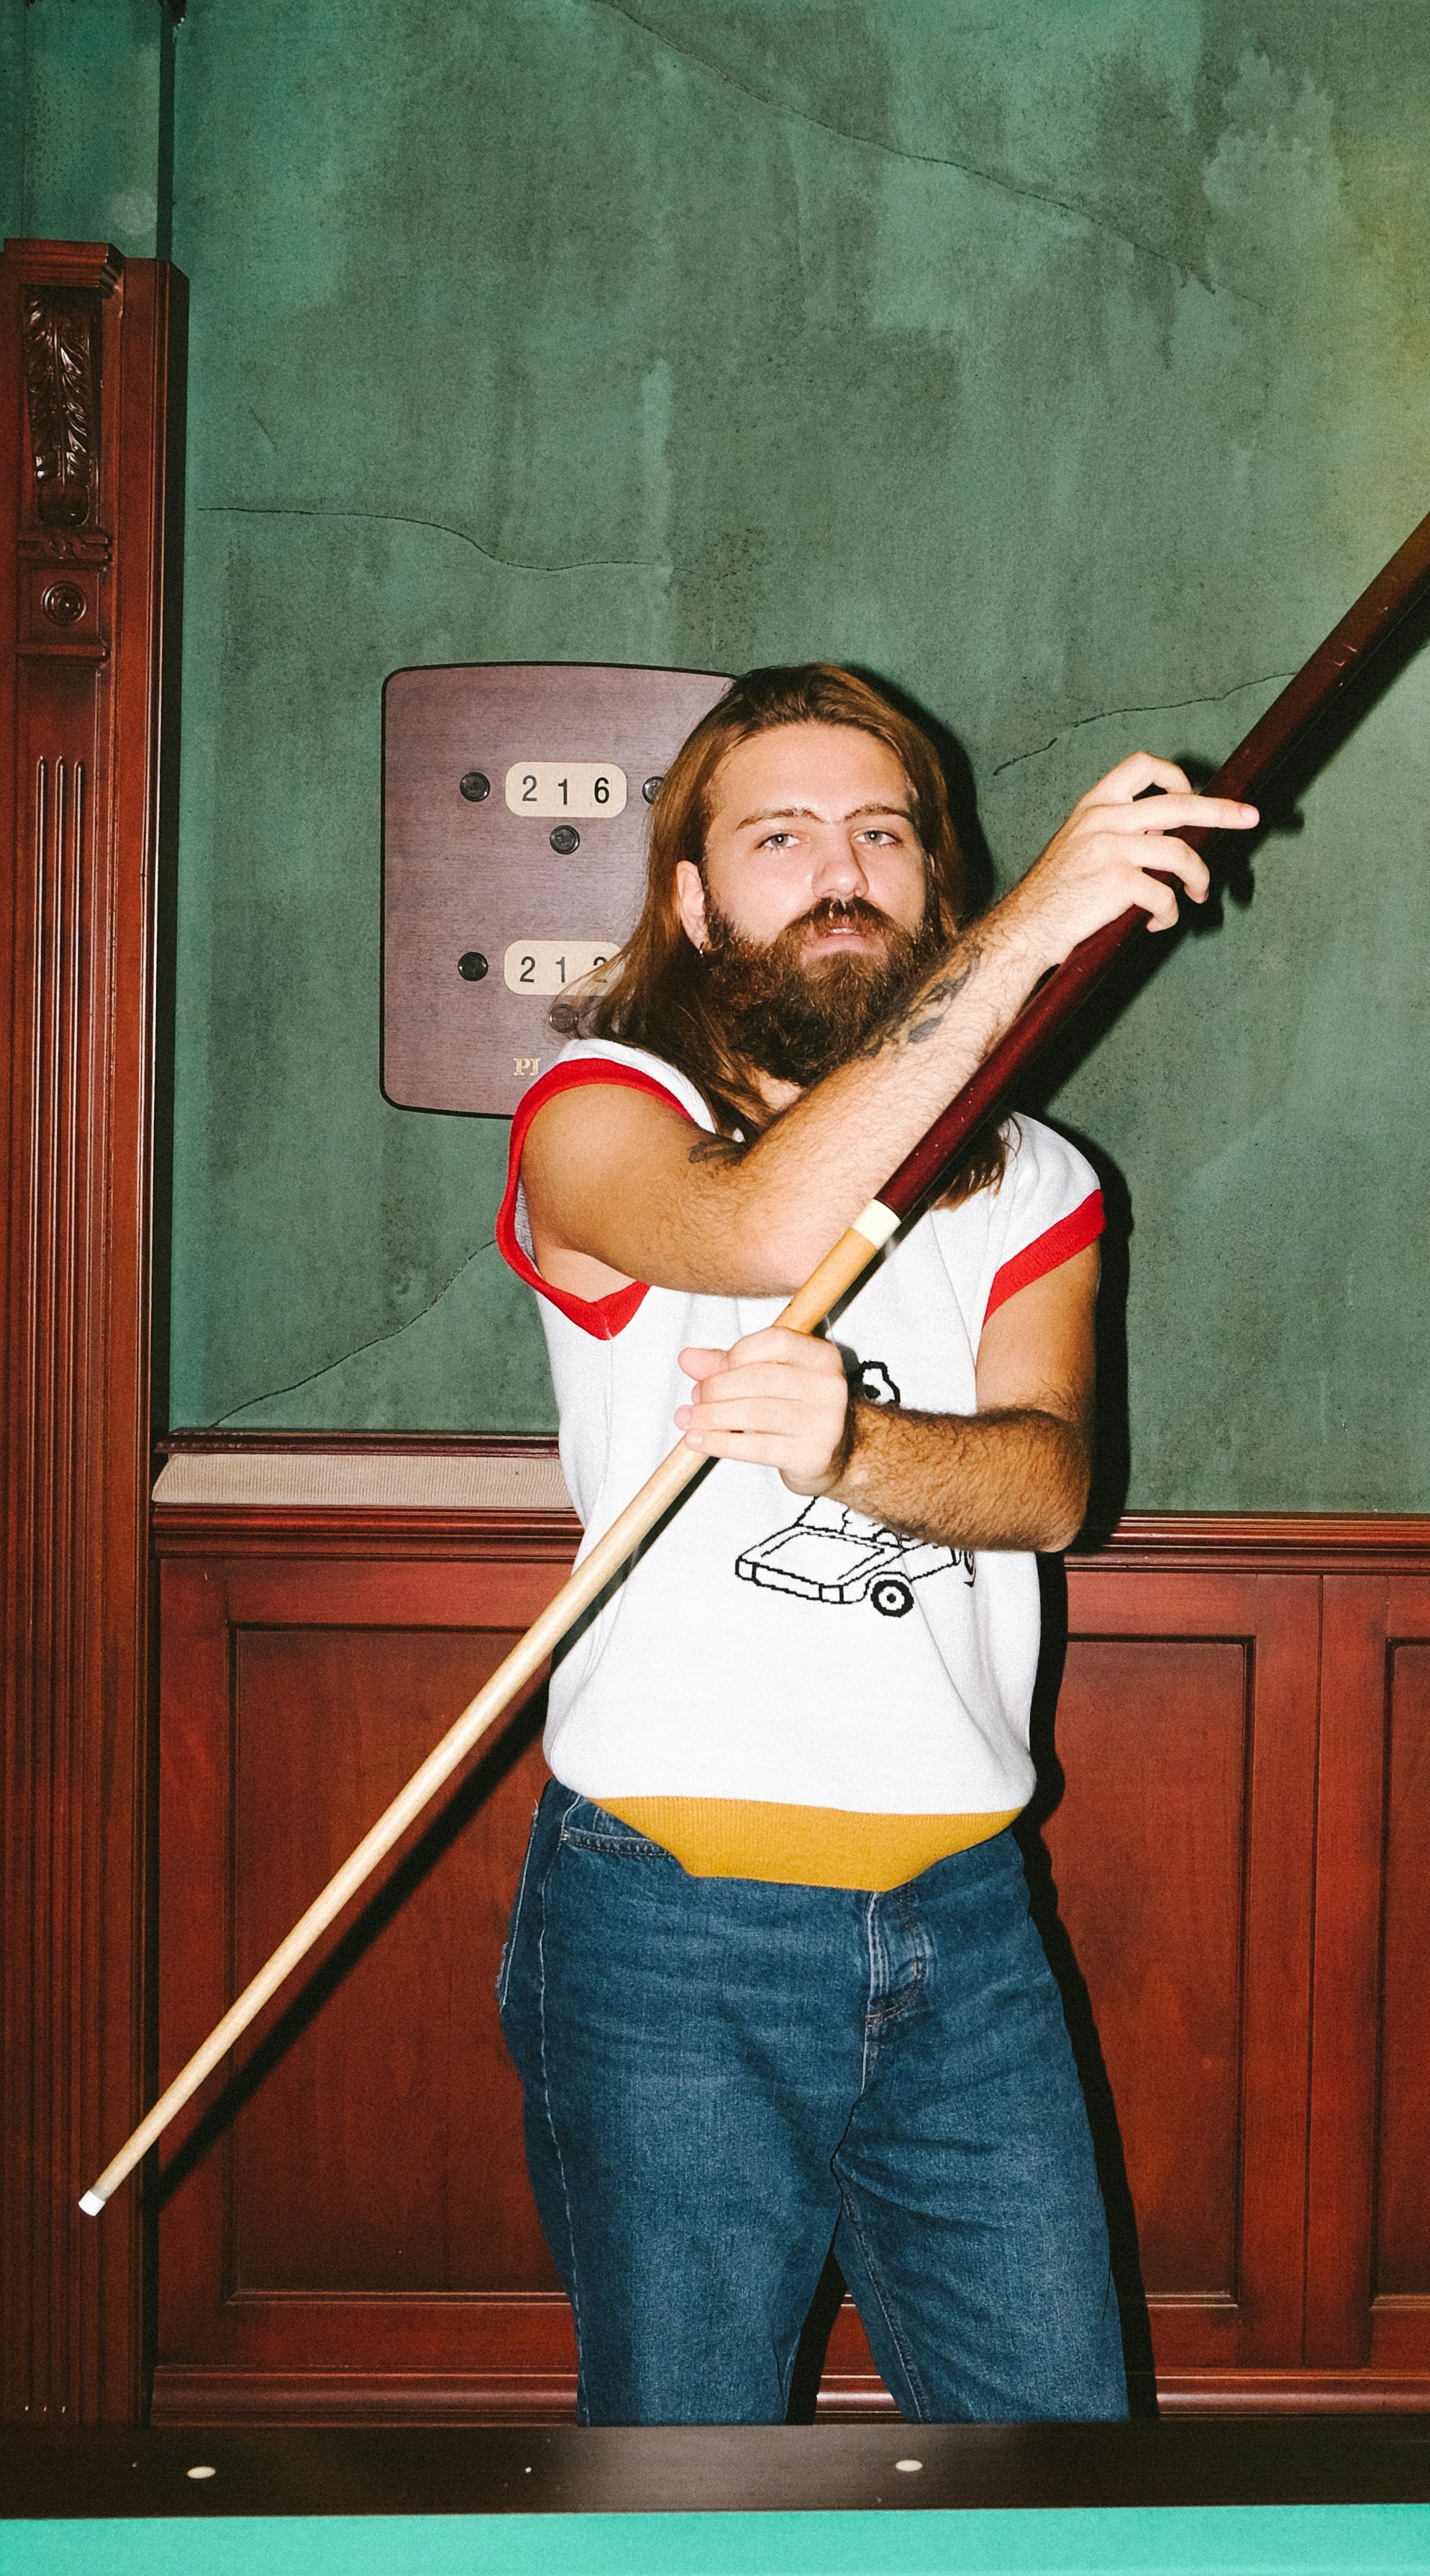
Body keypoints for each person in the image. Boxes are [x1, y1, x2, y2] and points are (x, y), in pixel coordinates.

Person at [493, 663, 1257, 2425]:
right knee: (682, 2478)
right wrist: (1026, 937)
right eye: (779, 837)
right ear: (693, 900)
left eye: (882, 834)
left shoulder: (1036, 1178)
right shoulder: (598, 1113)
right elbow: (767, 1228)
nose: (840, 872)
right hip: (669, 1924)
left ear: (932, 874)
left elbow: (1047, 1487)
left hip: (963, 1922)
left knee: (1056, 2469)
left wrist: (851, 1446)